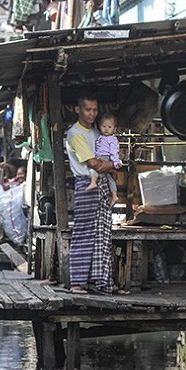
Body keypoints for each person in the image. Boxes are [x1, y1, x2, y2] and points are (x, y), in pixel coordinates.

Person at [65, 92, 129, 295]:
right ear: (78, 109)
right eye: (87, 109)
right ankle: (77, 282)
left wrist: (109, 165)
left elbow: (105, 161)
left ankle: (101, 282)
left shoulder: (96, 132)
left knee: (102, 234)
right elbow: (94, 164)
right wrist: (114, 164)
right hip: (86, 184)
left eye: (95, 109)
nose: (92, 113)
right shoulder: (75, 134)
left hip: (101, 184)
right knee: (84, 233)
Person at [86, 113, 121, 206]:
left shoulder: (112, 139)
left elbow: (114, 151)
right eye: (104, 126)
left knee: (92, 169)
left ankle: (93, 183)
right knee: (109, 178)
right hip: (99, 156)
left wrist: (115, 161)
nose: (106, 129)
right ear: (99, 127)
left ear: (114, 129)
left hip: (104, 158)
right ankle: (114, 196)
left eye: (109, 127)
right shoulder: (100, 137)